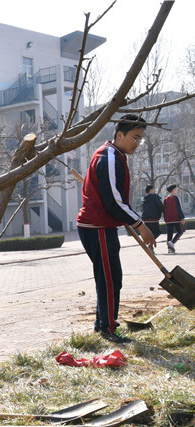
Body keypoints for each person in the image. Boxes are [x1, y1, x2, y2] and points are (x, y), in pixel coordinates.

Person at [76, 114, 155, 345]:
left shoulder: (116, 155)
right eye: (134, 137)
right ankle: (108, 329)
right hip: (97, 225)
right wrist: (140, 225)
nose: (137, 143)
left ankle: (103, 325)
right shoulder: (109, 156)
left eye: (140, 139)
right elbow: (114, 200)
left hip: (102, 225)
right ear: (119, 134)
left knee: (109, 277)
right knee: (110, 279)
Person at [163, 184, 185, 254]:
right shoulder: (176, 198)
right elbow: (179, 208)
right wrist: (182, 218)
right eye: (176, 189)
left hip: (168, 219)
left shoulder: (165, 199)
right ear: (173, 190)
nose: (177, 190)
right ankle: (172, 242)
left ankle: (170, 249)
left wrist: (165, 219)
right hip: (176, 218)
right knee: (180, 231)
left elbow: (164, 210)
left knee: (169, 234)